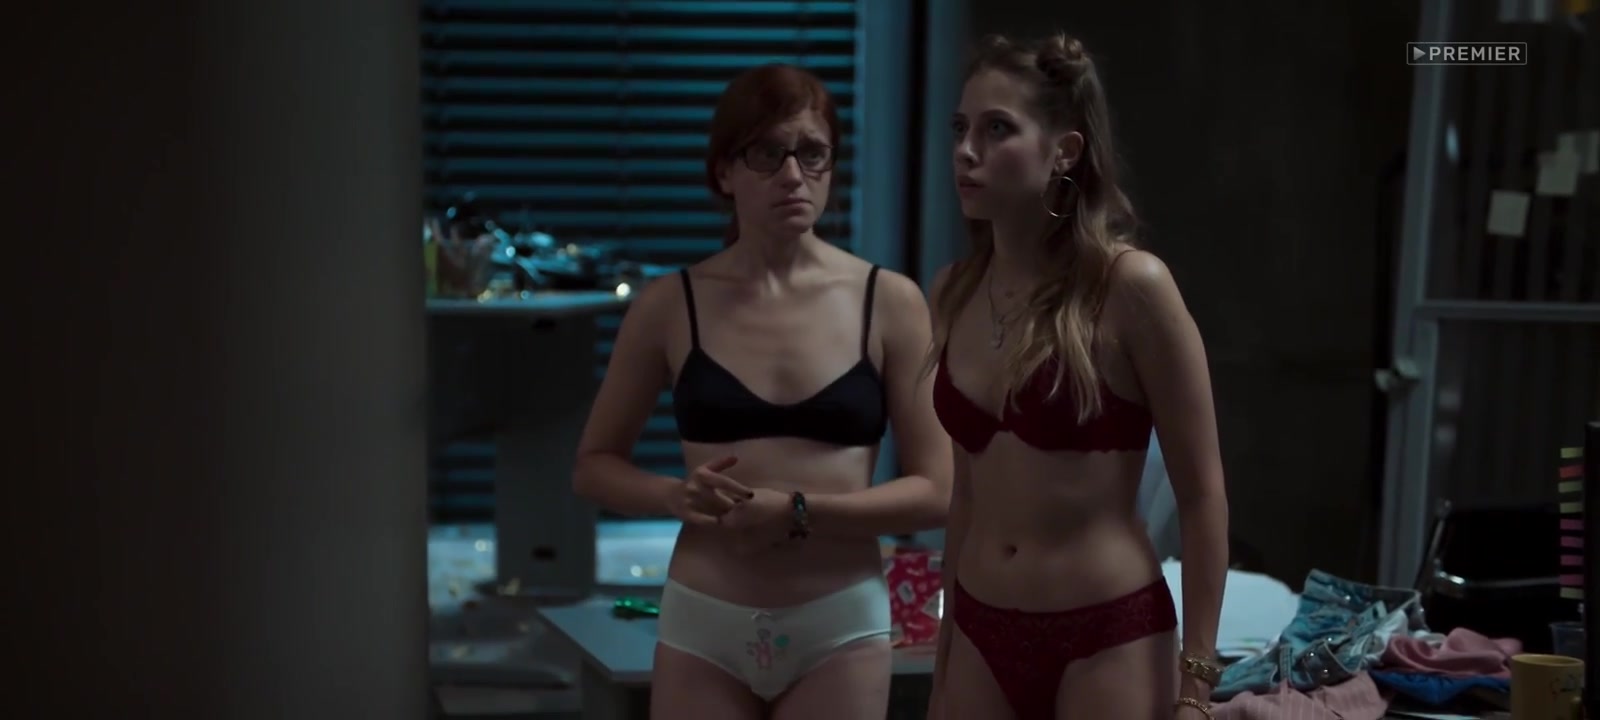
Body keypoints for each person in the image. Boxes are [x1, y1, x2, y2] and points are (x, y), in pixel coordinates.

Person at [572, 63, 953, 720]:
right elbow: (593, 466)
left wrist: (800, 510)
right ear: (724, 173)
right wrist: (673, 495)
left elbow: (939, 491)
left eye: (812, 153)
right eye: (767, 153)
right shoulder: (670, 305)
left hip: (838, 621)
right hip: (705, 619)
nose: (793, 174)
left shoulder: (888, 301)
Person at [926, 33, 1230, 720]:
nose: (967, 151)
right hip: (979, 628)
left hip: (1106, 631)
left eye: (997, 129)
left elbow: (1203, 496)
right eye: (960, 128)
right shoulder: (953, 292)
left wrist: (1197, 688)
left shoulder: (1130, 287)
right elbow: (966, 495)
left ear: (1063, 150)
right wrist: (945, 660)